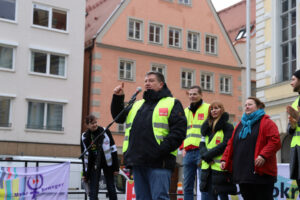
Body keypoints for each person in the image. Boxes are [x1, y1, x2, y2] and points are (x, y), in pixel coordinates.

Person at [111, 71, 186, 200]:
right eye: (145, 81)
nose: (147, 83)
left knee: (159, 198)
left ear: (161, 84)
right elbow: (119, 118)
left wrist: (160, 150)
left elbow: (179, 132)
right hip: (138, 161)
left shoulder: (172, 103)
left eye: (151, 81)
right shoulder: (137, 104)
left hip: (159, 162)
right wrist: (118, 98)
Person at [221, 97, 281, 200]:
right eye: (245, 105)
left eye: (250, 104)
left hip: (261, 173)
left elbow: (275, 141)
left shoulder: (267, 122)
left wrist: (263, 155)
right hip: (243, 173)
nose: (247, 107)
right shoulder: (240, 125)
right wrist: (224, 159)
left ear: (258, 107)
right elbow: (231, 144)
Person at [199, 102, 236, 200]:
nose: (214, 110)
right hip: (208, 168)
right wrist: (206, 157)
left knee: (223, 196)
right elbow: (201, 144)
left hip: (220, 169)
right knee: (210, 197)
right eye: (212, 109)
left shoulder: (228, 126)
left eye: (216, 108)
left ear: (222, 110)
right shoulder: (206, 127)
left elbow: (225, 144)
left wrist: (208, 155)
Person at [81, 115, 119, 200]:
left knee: (111, 187)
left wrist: (116, 168)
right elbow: (84, 156)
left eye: (95, 122)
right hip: (94, 163)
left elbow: (113, 149)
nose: (95, 125)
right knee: (93, 189)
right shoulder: (84, 136)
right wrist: (85, 174)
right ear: (87, 125)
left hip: (107, 163)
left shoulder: (105, 131)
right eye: (92, 123)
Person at [181, 85, 210, 200]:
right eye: (190, 94)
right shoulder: (185, 111)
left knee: (203, 184)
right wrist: (182, 147)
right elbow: (183, 131)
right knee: (187, 185)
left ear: (201, 95)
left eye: (195, 94)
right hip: (188, 152)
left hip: (202, 151)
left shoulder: (208, 108)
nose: (192, 96)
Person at [287, 69, 300, 188]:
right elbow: (290, 131)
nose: (291, 83)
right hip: (295, 149)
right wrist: (292, 125)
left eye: (293, 79)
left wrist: (298, 118)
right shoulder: (295, 102)